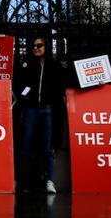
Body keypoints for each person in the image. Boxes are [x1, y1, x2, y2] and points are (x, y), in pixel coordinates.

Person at [13, 37, 74, 194]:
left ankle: (49, 180)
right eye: (33, 45)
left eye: (39, 45)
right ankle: (21, 181)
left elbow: (71, 80)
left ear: (46, 46)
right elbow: (18, 84)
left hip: (48, 110)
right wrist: (25, 96)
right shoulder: (27, 65)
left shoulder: (55, 66)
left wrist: (97, 80)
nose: (36, 47)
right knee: (25, 146)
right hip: (31, 110)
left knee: (47, 147)